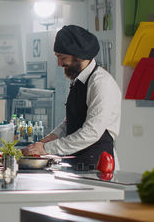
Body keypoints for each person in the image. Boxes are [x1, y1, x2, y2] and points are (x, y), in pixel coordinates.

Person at [22, 25, 121, 169]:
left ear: (78, 56)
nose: (59, 63)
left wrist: (47, 149)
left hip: (99, 167)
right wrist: (46, 141)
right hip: (77, 164)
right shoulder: (78, 81)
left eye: (62, 58)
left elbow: (91, 132)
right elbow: (71, 122)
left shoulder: (101, 83)